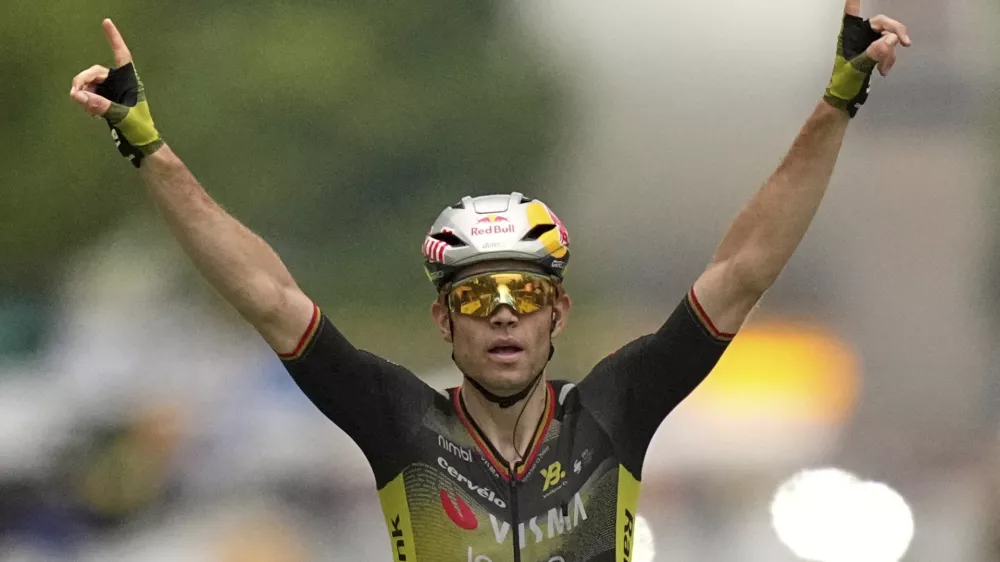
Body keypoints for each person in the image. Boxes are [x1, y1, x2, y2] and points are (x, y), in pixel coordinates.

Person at [69, 2, 910, 560]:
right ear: (444, 322)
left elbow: (745, 267)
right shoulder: (396, 419)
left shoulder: (615, 411)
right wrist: (149, 147)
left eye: (526, 295)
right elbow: (265, 294)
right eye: (476, 297)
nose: (502, 316)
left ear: (559, 314)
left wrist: (838, 99)